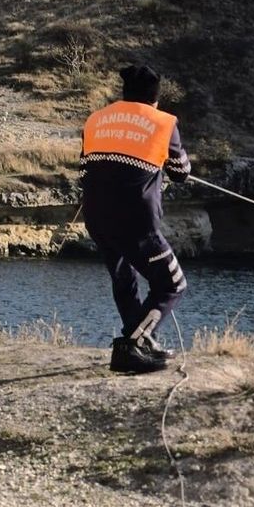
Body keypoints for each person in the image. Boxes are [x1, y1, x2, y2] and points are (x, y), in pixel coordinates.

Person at [80, 65, 192, 373]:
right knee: (172, 283)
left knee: (124, 278)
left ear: (124, 93)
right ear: (155, 98)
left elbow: (85, 167)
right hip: (137, 222)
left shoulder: (96, 119)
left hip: (96, 216)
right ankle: (133, 344)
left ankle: (140, 342)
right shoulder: (164, 122)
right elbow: (181, 172)